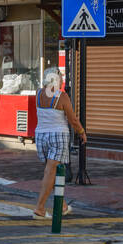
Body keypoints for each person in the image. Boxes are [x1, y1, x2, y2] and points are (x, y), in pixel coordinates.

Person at [31, 67, 86, 219]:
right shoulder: (61, 96)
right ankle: (40, 208)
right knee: (50, 172)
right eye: (60, 77)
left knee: (52, 172)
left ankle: (62, 206)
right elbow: (73, 119)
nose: (62, 80)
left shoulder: (38, 93)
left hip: (41, 136)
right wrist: (81, 132)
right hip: (58, 136)